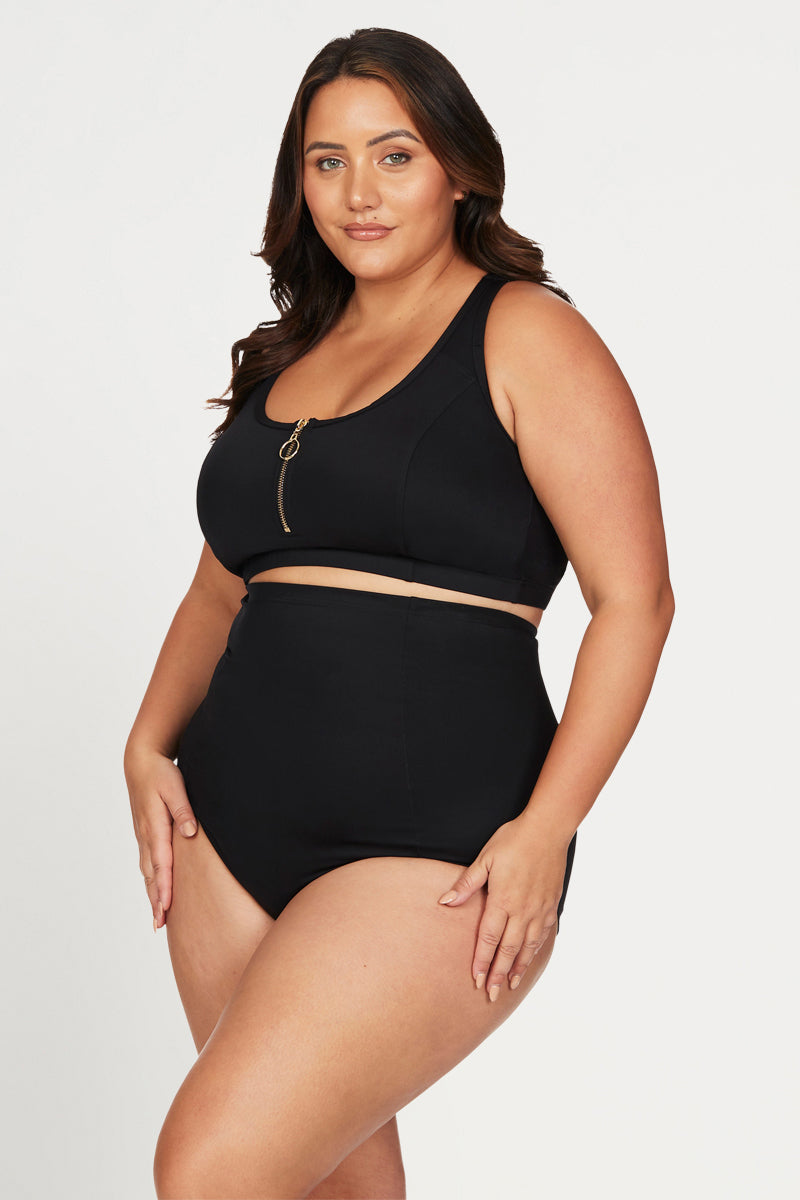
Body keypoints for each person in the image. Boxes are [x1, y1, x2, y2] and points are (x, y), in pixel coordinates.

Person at [124, 26, 675, 1200]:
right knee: (330, 1184)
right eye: (326, 162)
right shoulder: (289, 358)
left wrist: (546, 828)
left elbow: (632, 602)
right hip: (227, 830)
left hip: (436, 838)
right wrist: (144, 741)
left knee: (210, 1168)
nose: (357, 193)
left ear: (458, 170)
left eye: (393, 155)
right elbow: (222, 583)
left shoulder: (524, 332)